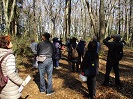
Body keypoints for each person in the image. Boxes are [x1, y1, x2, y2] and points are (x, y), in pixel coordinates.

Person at [0, 35, 26, 99]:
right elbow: (11, 73)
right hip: (10, 87)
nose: (11, 43)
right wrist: (21, 82)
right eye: (10, 42)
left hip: (2, 84)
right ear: (7, 44)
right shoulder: (9, 56)